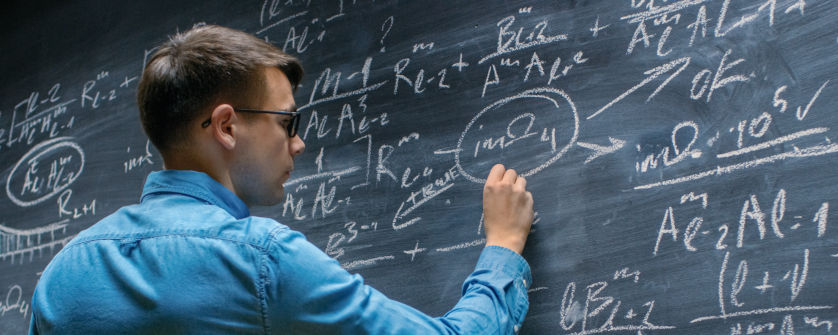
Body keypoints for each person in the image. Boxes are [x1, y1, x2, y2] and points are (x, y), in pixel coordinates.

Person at [29, 25, 534, 334]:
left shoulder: (61, 275)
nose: (298, 143)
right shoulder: (261, 260)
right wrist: (504, 248)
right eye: (287, 122)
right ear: (227, 126)